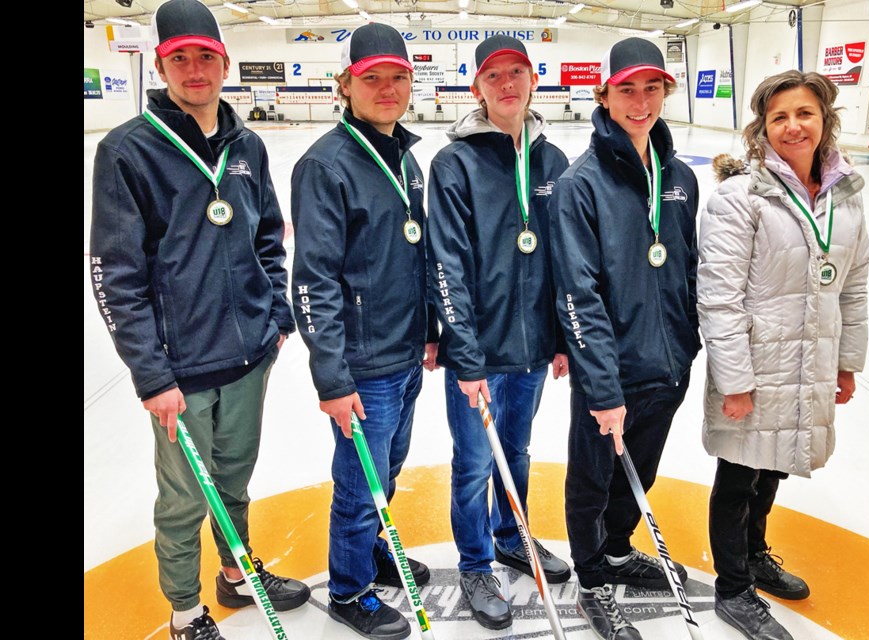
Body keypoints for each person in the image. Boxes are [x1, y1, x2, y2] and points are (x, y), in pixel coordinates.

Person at [88, 1, 310, 638]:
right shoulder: (127, 151)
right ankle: (186, 611)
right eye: (179, 58)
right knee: (186, 499)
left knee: (234, 483)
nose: (194, 69)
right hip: (179, 371)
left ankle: (237, 576)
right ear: (160, 65)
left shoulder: (248, 145)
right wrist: (151, 375)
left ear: (224, 62)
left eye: (205, 56)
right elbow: (116, 273)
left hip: (247, 359)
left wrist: (275, 315)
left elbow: (269, 235)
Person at [698, 70, 869, 640]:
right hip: (756, 361)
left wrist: (847, 361)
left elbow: (853, 286)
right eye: (779, 117)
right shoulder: (739, 197)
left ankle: (753, 554)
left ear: (825, 121)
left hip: (811, 362)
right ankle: (732, 586)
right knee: (740, 469)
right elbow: (718, 296)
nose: (793, 126)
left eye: (805, 114)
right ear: (761, 128)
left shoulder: (845, 198)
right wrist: (735, 380)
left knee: (773, 463)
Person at [291, 22, 439, 640]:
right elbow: (315, 278)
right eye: (371, 77)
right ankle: (350, 589)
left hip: (404, 351)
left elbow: (415, 251)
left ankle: (371, 550)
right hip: (360, 362)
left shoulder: (403, 158)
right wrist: (331, 374)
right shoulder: (325, 166)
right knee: (360, 482)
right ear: (345, 85)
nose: (387, 88)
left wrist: (430, 331)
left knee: (389, 468)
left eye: (398, 77)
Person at [549, 37, 700, 640]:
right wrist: (602, 386)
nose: (640, 101)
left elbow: (687, 268)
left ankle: (616, 551)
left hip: (668, 367)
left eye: (652, 88)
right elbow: (577, 294)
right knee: (592, 480)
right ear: (603, 94)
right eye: (627, 89)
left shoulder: (681, 178)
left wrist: (686, 349)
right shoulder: (580, 184)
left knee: (642, 474)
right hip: (608, 375)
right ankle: (591, 580)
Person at [426, 35, 572, 630]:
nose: (507, 84)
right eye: (494, 76)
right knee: (472, 464)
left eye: (517, 72)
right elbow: (447, 264)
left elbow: (566, 256)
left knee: (517, 451)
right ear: (477, 88)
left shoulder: (554, 161)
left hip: (533, 348)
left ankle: (513, 536)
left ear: (533, 80)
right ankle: (476, 562)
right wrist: (465, 354)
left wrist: (563, 336)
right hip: (478, 351)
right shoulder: (454, 163)